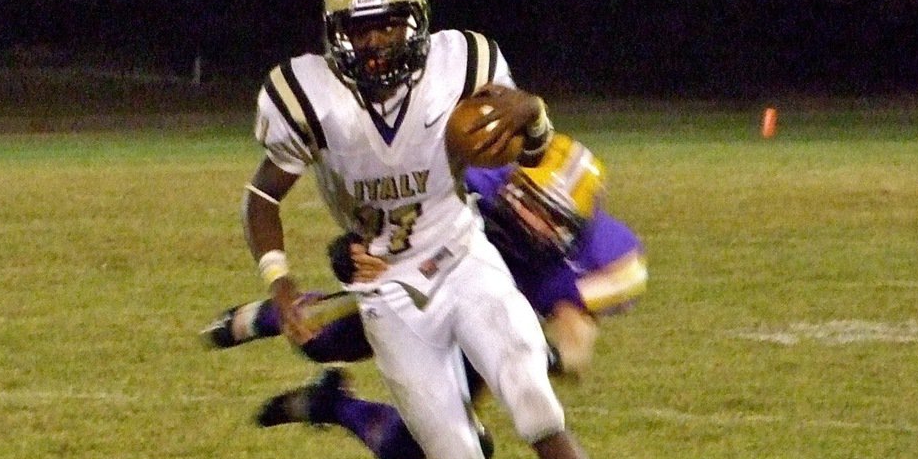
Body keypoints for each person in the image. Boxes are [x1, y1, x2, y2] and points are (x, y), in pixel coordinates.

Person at [236, 0, 669, 459]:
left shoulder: (463, 65)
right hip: (386, 289)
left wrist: (534, 116)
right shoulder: (308, 98)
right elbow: (262, 195)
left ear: (418, 25)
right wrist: (280, 278)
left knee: (531, 394)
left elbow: (531, 153)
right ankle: (340, 390)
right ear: (332, 36)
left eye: (388, 26)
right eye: (359, 29)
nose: (375, 44)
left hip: (464, 254)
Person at [204, 130, 649, 379]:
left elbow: (576, 327)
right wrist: (359, 249)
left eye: (550, 214)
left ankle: (335, 406)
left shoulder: (606, 256)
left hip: (490, 323)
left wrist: (544, 356)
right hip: (434, 276)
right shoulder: (478, 182)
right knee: (324, 342)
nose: (533, 221)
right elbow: (397, 222)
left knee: (408, 455)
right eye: (528, 200)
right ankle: (266, 316)